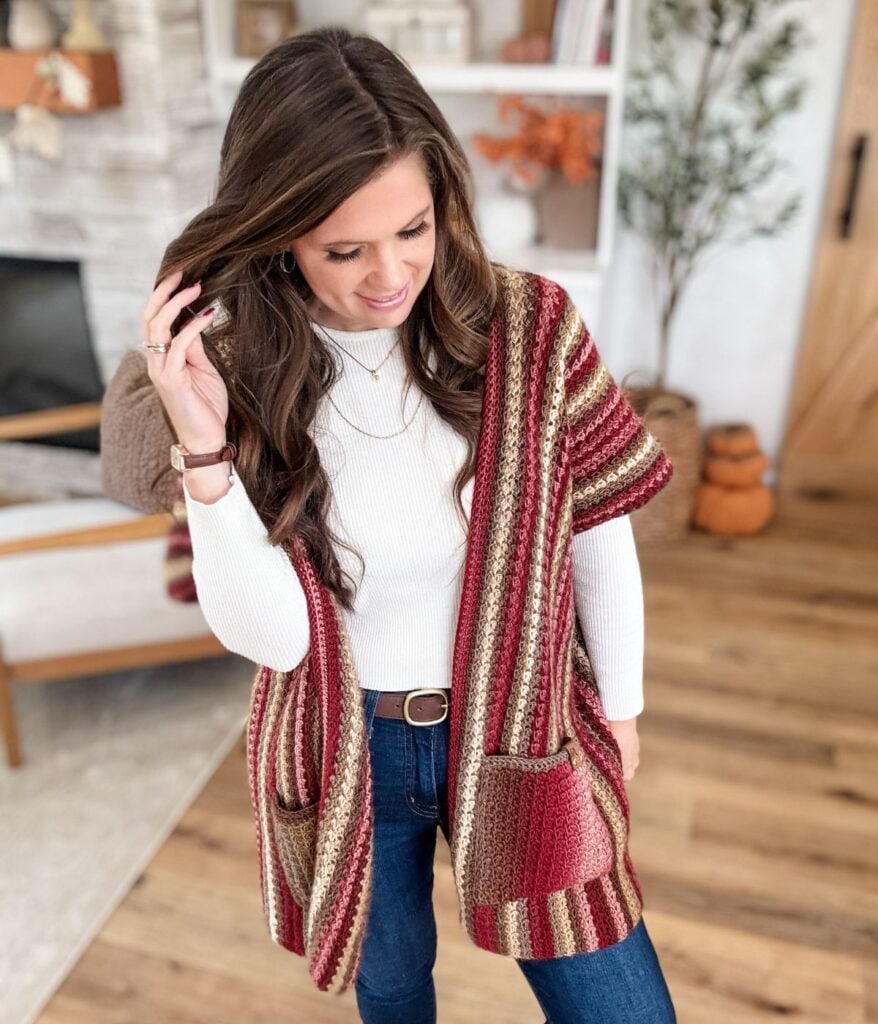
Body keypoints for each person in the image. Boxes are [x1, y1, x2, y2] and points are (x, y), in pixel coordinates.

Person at [102, 25, 677, 1023]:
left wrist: (619, 707)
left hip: (522, 723)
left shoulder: (531, 330)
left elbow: (597, 529)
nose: (389, 274)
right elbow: (278, 639)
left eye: (413, 229)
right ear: (278, 234)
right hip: (349, 752)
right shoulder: (241, 373)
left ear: (442, 199)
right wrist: (201, 446)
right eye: (344, 250)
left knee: (616, 1001)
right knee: (394, 986)